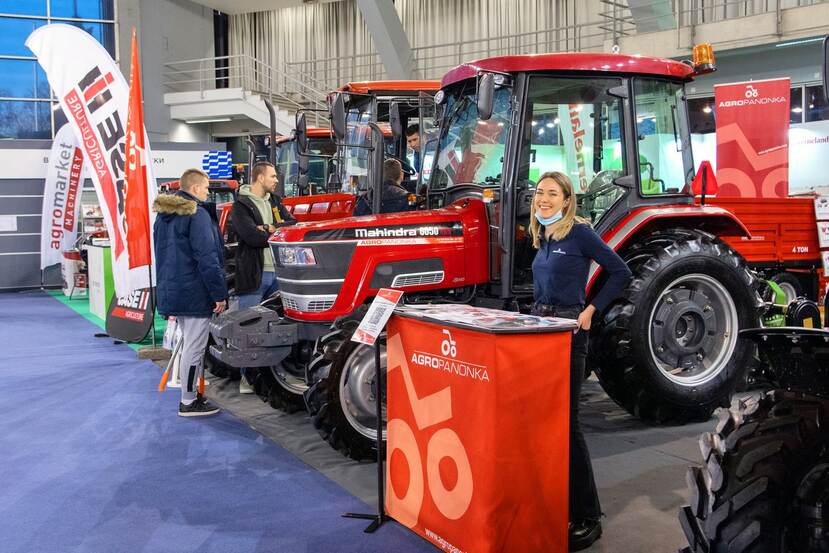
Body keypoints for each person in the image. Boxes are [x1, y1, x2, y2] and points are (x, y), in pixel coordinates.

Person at [529, 171, 632, 551]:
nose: (543, 199)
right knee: (545, 423)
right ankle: (559, 502)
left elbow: (621, 272)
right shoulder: (543, 235)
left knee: (568, 425)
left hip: (569, 334)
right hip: (541, 330)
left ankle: (588, 516)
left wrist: (592, 310)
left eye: (552, 194)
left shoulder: (580, 233)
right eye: (540, 193)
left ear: (567, 200)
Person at [154, 168, 227, 417]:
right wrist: (219, 293)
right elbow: (207, 258)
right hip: (195, 292)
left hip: (173, 289)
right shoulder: (197, 215)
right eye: (206, 188)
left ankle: (191, 395)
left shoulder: (163, 217)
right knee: (194, 349)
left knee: (189, 346)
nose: (208, 193)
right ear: (195, 188)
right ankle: (188, 401)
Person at [230, 161, 295, 393]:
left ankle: (269, 376)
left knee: (276, 327)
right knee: (248, 329)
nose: (276, 180)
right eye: (273, 176)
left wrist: (267, 227)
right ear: (259, 178)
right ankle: (247, 378)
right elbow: (252, 238)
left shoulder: (275, 202)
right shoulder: (241, 206)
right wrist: (274, 230)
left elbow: (293, 227)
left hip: (278, 274)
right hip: (253, 275)